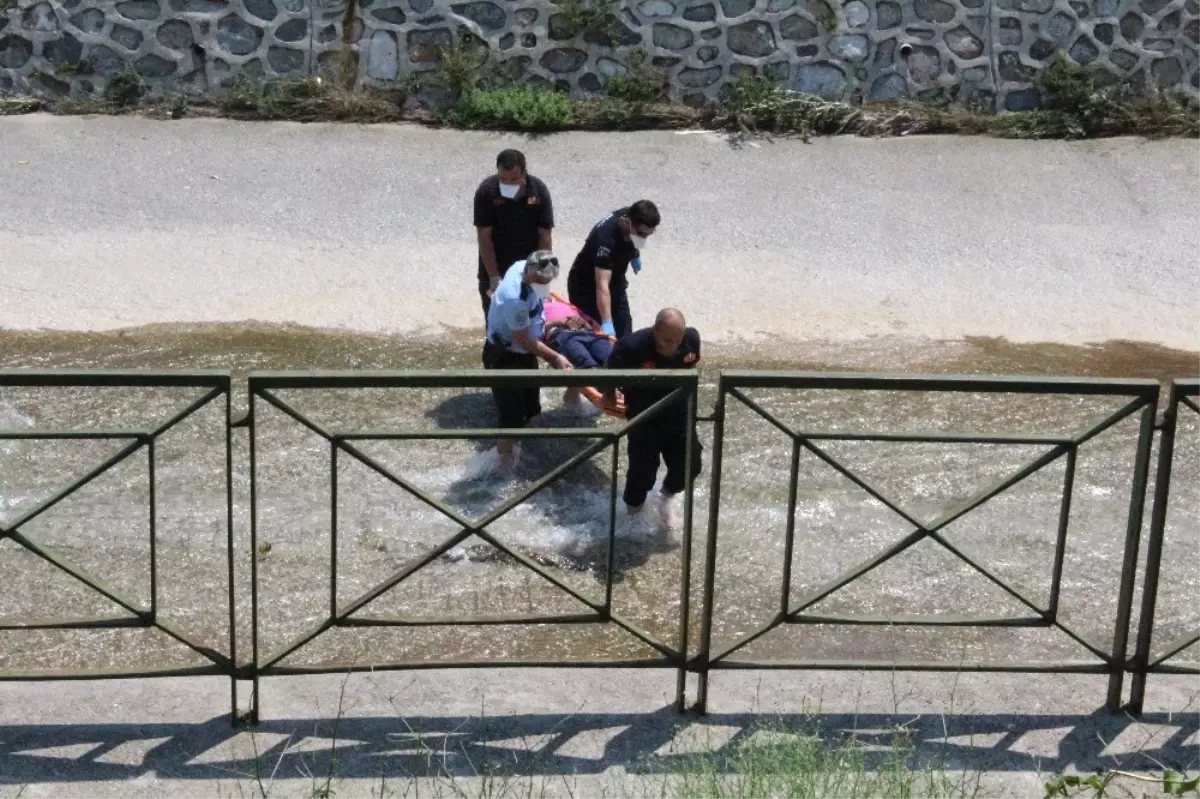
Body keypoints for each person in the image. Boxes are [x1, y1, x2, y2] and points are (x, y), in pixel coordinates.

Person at [605, 308, 702, 531]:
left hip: (678, 414)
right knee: (642, 470)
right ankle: (632, 518)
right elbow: (609, 375)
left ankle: (665, 499)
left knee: (690, 464)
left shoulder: (691, 340)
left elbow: (691, 369)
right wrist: (609, 395)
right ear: (655, 331)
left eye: (677, 341)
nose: (673, 346)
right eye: (667, 340)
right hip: (644, 416)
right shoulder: (632, 347)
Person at [483, 250, 572, 473]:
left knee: (532, 404)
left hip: (524, 353)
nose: (545, 285)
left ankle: (532, 446)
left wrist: (552, 323)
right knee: (511, 414)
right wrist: (555, 357)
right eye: (542, 281)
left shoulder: (521, 264)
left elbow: (532, 321)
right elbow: (524, 340)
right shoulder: (515, 298)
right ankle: (503, 462)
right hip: (505, 356)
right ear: (530, 273)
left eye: (549, 281)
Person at [474, 149, 554, 320]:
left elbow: (545, 236)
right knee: (496, 326)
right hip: (495, 265)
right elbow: (484, 238)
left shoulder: (538, 191)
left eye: (514, 179)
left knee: (533, 323)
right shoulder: (487, 191)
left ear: (524, 173)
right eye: (503, 179)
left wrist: (542, 277)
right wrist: (495, 279)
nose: (508, 183)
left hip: (528, 267)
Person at [566, 201, 660, 340]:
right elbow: (602, 286)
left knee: (625, 336)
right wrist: (606, 322)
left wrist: (635, 254)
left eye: (648, 235)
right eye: (640, 234)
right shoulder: (606, 240)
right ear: (628, 222)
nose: (643, 239)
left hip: (615, 281)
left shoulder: (633, 214)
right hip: (587, 287)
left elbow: (638, 236)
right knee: (597, 338)